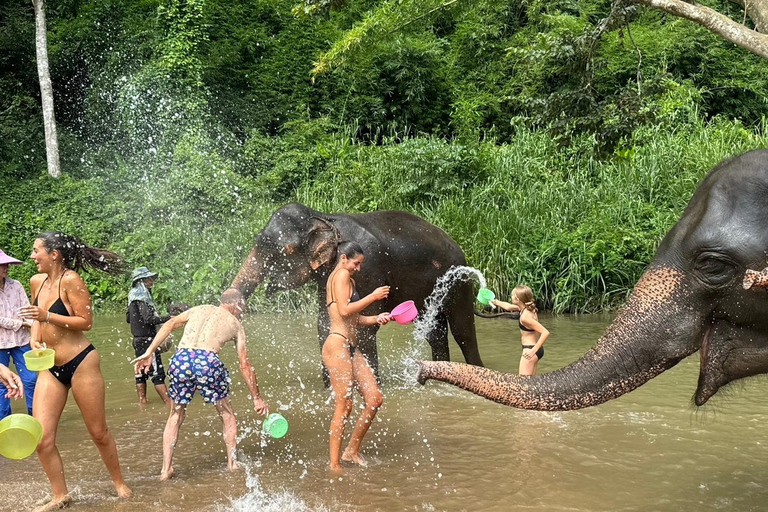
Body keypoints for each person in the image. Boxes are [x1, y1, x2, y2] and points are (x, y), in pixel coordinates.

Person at [19, 231, 132, 511]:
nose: (32, 257)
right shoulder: (36, 281)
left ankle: (119, 484)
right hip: (50, 365)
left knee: (98, 432)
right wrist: (36, 333)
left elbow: (86, 321)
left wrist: (47, 317)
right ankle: (61, 495)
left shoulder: (71, 280)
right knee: (41, 439)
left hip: (81, 361)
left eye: (36, 251)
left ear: (54, 255)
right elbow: (36, 314)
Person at [133, 289, 269, 480]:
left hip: (181, 359)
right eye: (242, 306)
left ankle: (166, 470)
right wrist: (257, 397)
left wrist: (149, 352)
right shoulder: (235, 324)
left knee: (176, 414)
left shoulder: (198, 309)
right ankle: (232, 463)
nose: (243, 310)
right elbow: (245, 364)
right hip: (208, 361)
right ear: (236, 303)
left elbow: (170, 324)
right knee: (226, 413)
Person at [323, 241, 391, 470]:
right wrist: (372, 297)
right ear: (344, 258)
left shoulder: (348, 279)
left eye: (360, 264)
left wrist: (376, 318)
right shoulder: (341, 274)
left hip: (351, 347)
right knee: (344, 406)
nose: (358, 268)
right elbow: (343, 310)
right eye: (356, 263)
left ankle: (351, 451)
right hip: (337, 345)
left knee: (374, 399)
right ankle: (334, 466)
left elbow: (352, 319)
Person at [127, 266, 171, 405]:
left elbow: (128, 319)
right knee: (157, 374)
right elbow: (148, 319)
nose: (151, 281)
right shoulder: (142, 298)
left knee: (140, 371)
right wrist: (169, 318)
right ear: (141, 281)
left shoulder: (132, 298)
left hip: (137, 340)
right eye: (148, 279)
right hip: (147, 341)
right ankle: (169, 403)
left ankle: (142, 402)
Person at [0, 248, 36, 417]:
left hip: (21, 340)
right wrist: (21, 323)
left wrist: (33, 324)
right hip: (0, 343)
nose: (6, 268)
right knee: (2, 383)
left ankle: (36, 417)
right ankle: (3, 421)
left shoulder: (16, 285)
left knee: (31, 379)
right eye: (2, 265)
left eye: (6, 264)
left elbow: (25, 308)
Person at [490, 285, 550, 376]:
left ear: (518, 299)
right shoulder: (527, 308)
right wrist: (496, 302)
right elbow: (509, 307)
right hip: (535, 349)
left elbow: (545, 332)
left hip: (530, 350)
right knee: (530, 383)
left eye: (513, 295)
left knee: (523, 384)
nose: (511, 297)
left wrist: (533, 351)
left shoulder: (525, 317)